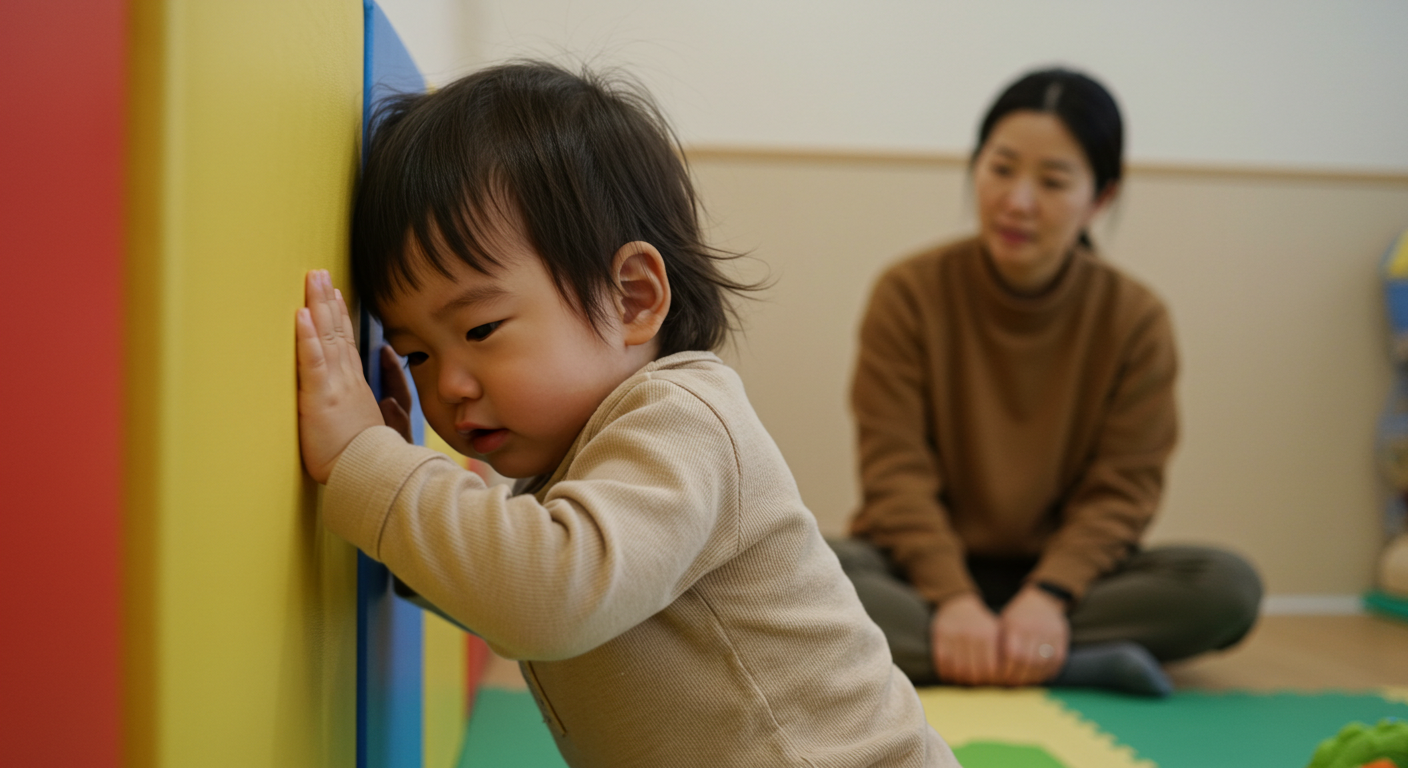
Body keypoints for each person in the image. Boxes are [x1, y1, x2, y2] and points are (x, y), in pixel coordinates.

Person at [295, 62, 957, 767]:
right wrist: (400, 512)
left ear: (632, 298)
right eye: (416, 355)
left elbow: (547, 596)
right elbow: (508, 589)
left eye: (481, 329)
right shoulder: (571, 469)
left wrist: (367, 461)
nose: (449, 385)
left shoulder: (682, 420)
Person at [832, 68, 1262, 697]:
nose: (1018, 201)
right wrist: (952, 598)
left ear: (1101, 198)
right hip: (918, 576)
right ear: (976, 166)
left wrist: (1049, 595)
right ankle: (1071, 665)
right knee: (797, 570)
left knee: (1227, 586)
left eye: (1053, 181)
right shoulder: (909, 293)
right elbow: (895, 474)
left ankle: (974, 652)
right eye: (1001, 168)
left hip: (1069, 583)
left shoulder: (1135, 318)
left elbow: (1122, 491)